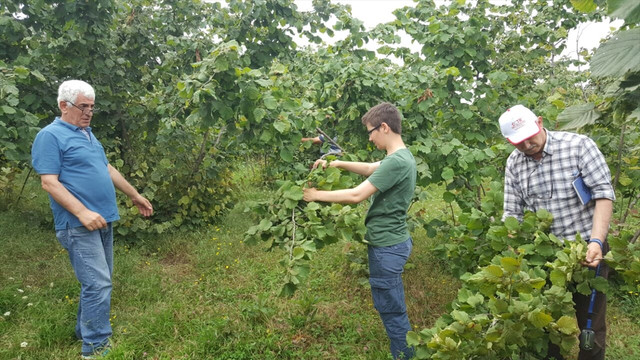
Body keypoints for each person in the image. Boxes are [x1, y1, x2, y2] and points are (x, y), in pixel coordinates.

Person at [31, 80, 153, 359]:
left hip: (102, 219)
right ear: (64, 105)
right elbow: (49, 182)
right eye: (83, 107)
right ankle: (95, 348)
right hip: (77, 224)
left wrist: (134, 195)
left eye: (92, 107)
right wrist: (81, 212)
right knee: (98, 284)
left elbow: (106, 167)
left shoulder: (87, 134)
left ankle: (83, 330)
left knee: (98, 281)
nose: (88, 112)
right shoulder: (50, 136)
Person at [498, 104, 615, 360]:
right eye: (519, 143)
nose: (528, 145)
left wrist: (596, 241)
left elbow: (603, 195)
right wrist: (513, 260)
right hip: (544, 257)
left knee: (590, 328)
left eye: (531, 137)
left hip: (587, 248)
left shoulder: (579, 146)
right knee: (546, 326)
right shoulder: (514, 164)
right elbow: (512, 215)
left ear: (540, 122)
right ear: (509, 141)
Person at [303, 102, 416, 360]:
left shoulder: (396, 161)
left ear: (384, 127)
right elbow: (368, 168)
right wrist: (337, 164)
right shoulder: (401, 157)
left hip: (387, 247)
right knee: (392, 305)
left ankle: (406, 356)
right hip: (394, 242)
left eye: (371, 131)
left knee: (391, 310)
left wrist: (315, 195)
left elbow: (356, 195)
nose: (370, 137)